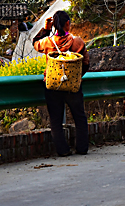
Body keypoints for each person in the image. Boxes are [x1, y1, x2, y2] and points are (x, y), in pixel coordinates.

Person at [33, 10, 90, 156]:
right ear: (67, 24)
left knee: (55, 120)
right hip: (72, 87)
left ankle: (63, 150)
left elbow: (35, 43)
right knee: (79, 117)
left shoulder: (47, 42)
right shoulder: (77, 42)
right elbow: (86, 63)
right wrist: (76, 77)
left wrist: (46, 29)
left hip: (53, 86)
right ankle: (82, 148)